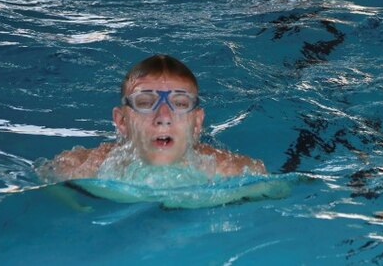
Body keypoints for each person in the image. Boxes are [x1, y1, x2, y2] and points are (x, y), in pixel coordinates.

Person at [40, 54, 265, 181]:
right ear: (122, 121)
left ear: (197, 123)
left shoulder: (233, 171)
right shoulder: (82, 168)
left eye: (179, 104)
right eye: (146, 103)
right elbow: (47, 175)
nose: (163, 117)